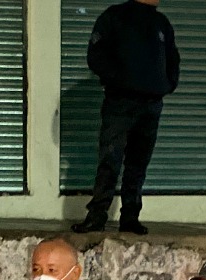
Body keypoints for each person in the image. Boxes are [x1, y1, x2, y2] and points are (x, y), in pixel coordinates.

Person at [71, 0, 180, 236]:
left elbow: (173, 58)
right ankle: (97, 216)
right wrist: (121, 80)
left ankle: (130, 217)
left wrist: (165, 85)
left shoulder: (161, 23)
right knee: (110, 160)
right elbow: (96, 55)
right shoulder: (115, 16)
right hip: (120, 103)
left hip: (151, 105)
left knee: (138, 163)